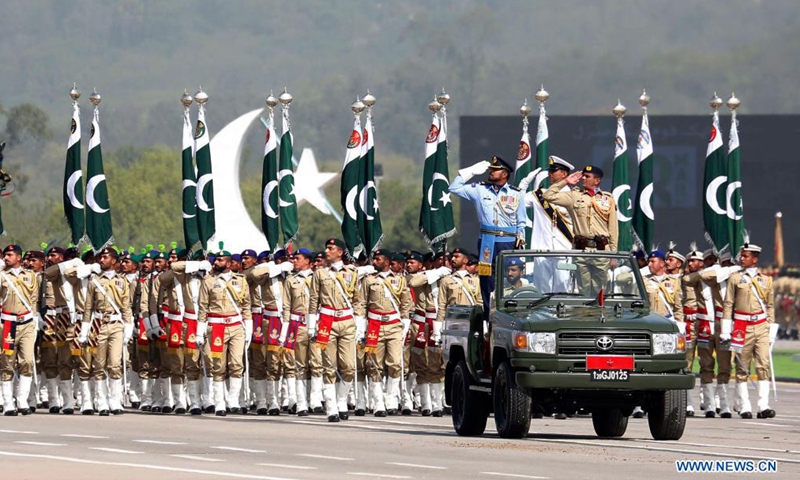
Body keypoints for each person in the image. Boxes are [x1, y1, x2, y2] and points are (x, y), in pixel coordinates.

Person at [449, 155, 525, 318]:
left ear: (504, 174)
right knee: (487, 278)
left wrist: (521, 238)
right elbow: (454, 188)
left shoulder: (516, 193)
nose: (490, 172)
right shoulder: (480, 189)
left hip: (508, 240)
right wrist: (469, 172)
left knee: (510, 275)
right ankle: (488, 315)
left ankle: (510, 311)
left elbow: (522, 220)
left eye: (494, 170)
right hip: (487, 241)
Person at [542, 165, 618, 296]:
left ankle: (598, 315)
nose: (583, 178)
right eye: (583, 175)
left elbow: (613, 228)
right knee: (583, 288)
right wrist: (565, 181)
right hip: (581, 249)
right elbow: (548, 196)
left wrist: (613, 254)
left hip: (601, 250)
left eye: (587, 176)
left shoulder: (608, 198)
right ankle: (584, 315)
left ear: (597, 180)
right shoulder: (574, 196)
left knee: (600, 290)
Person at [354, 249, 412, 417]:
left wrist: (405, 325)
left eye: (378, 259)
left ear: (386, 262)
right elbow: (361, 303)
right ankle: (378, 402)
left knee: (395, 363)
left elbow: (406, 304)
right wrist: (360, 326)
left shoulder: (399, 280)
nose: (374, 262)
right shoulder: (369, 280)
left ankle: (391, 399)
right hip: (374, 326)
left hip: (393, 325)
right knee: (374, 365)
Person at [307, 238, 361, 422]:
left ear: (340, 252)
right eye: (326, 247)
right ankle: (331, 407)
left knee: (349, 366)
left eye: (330, 248)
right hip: (326, 321)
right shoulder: (320, 273)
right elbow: (314, 299)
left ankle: (342, 401)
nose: (326, 251)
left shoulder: (352, 272)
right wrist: (311, 323)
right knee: (328, 366)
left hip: (346, 320)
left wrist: (360, 325)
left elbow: (358, 300)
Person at [723, 243, 777, 419]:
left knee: (763, 364)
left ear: (755, 258)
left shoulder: (766, 279)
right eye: (742, 255)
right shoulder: (735, 278)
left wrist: (771, 327)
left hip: (761, 325)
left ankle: (763, 405)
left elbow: (769, 305)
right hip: (741, 326)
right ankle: (745, 405)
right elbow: (728, 304)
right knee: (742, 367)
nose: (742, 258)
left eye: (746, 256)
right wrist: (726, 328)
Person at [197, 246, 252, 417]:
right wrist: (200, 332)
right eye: (216, 260)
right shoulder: (208, 281)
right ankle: (219, 402)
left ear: (229, 264)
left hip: (236, 326)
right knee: (218, 366)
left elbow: (246, 306)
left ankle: (233, 401)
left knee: (237, 364)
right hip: (217, 326)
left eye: (221, 260)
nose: (216, 262)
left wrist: (248, 329)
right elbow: (202, 308)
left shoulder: (241, 280)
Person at [80, 247, 133, 416]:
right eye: (101, 257)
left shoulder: (123, 281)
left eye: (105, 257)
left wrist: (128, 328)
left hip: (116, 325)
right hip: (98, 326)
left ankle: (114, 400)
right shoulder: (94, 281)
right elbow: (88, 308)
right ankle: (101, 401)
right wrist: (84, 330)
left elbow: (126, 307)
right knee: (99, 364)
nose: (101, 260)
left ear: (114, 261)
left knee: (115, 364)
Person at [637, 250, 684, 419]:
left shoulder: (673, 282)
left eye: (653, 261)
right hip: (649, 325)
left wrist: (680, 325)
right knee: (644, 364)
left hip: (667, 325)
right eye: (648, 261)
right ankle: (638, 404)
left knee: (667, 365)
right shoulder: (643, 280)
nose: (649, 264)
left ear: (662, 263)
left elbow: (678, 306)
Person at [436, 248, 482, 416]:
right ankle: (446, 398)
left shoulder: (475, 281)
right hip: (454, 325)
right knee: (449, 363)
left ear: (465, 260)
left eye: (457, 256)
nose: (452, 259)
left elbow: (479, 302)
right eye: (452, 256)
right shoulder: (446, 280)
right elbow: (442, 305)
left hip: (471, 324)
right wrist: (438, 328)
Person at [0, 245, 41, 416]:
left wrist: (35, 319)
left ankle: (22, 400)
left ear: (18, 257)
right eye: (5, 255)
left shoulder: (30, 276)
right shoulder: (2, 275)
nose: (7, 257)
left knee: (27, 362)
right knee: (7, 363)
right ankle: (8, 402)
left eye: (10, 255)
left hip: (26, 323)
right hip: (8, 324)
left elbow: (33, 299)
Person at [281, 248, 321, 417]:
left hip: (317, 324)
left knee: (317, 363)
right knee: (300, 364)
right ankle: (301, 402)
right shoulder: (290, 280)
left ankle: (316, 400)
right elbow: (286, 306)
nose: (294, 261)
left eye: (297, 258)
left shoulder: (318, 278)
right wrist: (285, 330)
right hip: (298, 325)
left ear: (307, 261)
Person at [681, 245, 705, 416]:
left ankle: (709, 402)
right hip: (688, 324)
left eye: (695, 260)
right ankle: (688, 403)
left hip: (704, 323)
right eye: (689, 260)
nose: (691, 263)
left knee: (707, 363)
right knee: (686, 364)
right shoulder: (682, 279)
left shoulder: (708, 279)